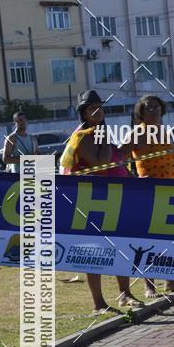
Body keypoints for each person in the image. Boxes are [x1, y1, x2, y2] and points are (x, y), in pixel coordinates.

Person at [59, 90, 143, 315]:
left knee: (120, 247)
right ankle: (99, 304)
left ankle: (125, 293)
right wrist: (105, 138)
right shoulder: (84, 136)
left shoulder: (101, 133)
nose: (97, 111)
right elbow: (102, 164)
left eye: (100, 107)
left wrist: (134, 178)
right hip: (93, 201)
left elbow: (117, 163)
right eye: (91, 108)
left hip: (115, 199)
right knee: (93, 252)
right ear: (83, 113)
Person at [131, 94, 174, 297]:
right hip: (149, 194)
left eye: (157, 107)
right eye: (149, 108)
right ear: (141, 112)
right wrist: (134, 177)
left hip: (171, 190)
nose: (154, 111)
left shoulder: (164, 132)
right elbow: (119, 155)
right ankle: (149, 285)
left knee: (169, 238)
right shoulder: (138, 133)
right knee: (148, 240)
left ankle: (170, 281)